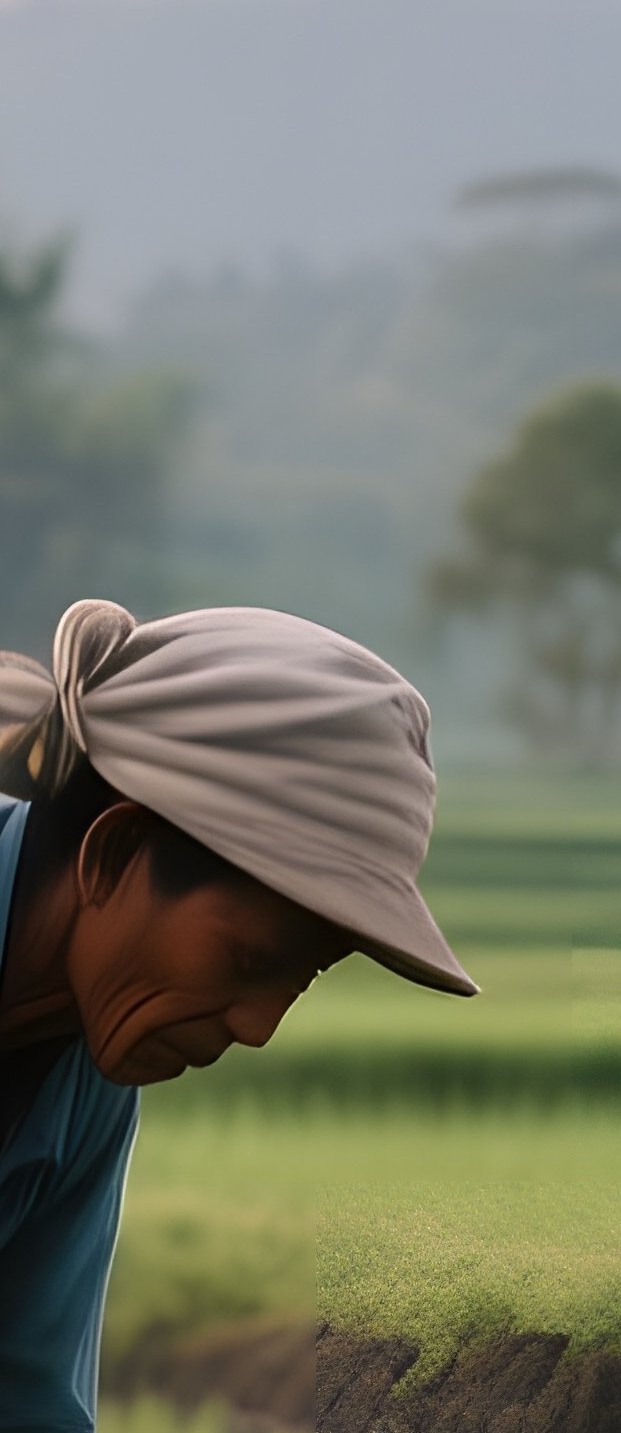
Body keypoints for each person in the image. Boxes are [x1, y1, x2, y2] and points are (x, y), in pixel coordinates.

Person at [0, 597, 475, 1429]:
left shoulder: (88, 1077)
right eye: (249, 960)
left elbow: (27, 1394)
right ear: (111, 854)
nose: (258, 1027)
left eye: (303, 980)